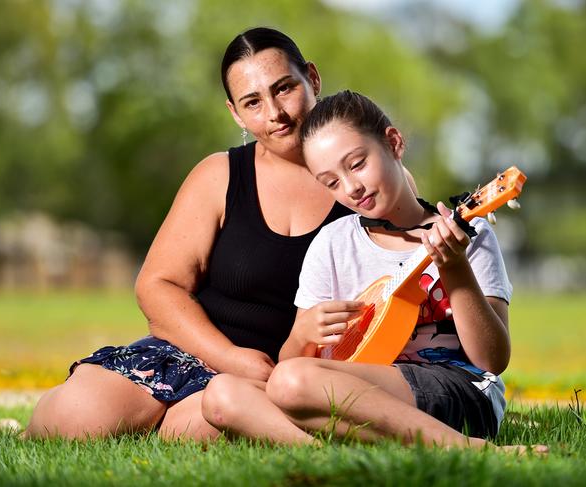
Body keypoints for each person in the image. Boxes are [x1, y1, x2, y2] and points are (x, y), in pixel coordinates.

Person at [26, 28, 419, 442]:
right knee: (72, 418)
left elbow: (401, 285)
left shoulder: (369, 182)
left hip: (283, 379)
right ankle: (32, 425)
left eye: (284, 89)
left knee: (192, 428)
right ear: (236, 114)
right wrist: (229, 357)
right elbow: (157, 286)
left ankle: (171, 418)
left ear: (313, 79)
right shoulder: (219, 175)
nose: (274, 113)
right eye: (253, 102)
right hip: (189, 353)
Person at [241, 90, 542, 451]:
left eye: (356, 164)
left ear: (394, 142)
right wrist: (301, 334)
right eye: (332, 182)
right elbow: (291, 366)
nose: (352, 188)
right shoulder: (332, 244)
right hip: (363, 389)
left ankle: (467, 448)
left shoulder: (468, 235)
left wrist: (456, 270)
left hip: (460, 391)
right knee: (226, 395)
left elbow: (492, 360)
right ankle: (366, 443)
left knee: (290, 383)